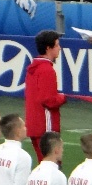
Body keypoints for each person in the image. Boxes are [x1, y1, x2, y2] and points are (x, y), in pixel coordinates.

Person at [24, 30, 66, 162]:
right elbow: (48, 100)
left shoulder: (33, 68)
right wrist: (62, 97)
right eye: (57, 45)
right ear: (48, 48)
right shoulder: (46, 70)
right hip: (45, 126)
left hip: (34, 124)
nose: (60, 48)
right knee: (52, 166)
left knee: (44, 165)